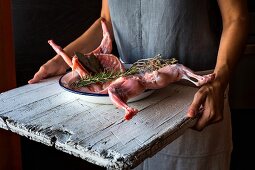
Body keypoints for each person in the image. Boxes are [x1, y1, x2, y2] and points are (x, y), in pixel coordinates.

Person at [28, 0, 249, 169]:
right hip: (126, 113)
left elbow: (236, 18)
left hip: (192, 103)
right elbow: (106, 20)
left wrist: (219, 82)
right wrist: (63, 59)